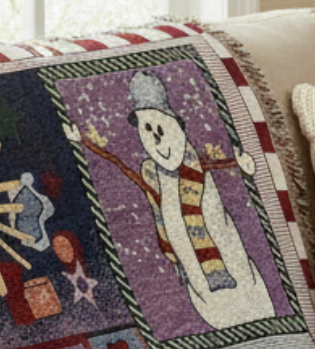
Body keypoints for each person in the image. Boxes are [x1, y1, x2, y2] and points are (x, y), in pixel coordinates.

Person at [65, 69, 276, 330]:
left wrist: (243, 165)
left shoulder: (197, 168)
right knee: (210, 304)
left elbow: (224, 164)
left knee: (245, 285)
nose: (155, 139)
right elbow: (117, 162)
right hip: (194, 274)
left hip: (232, 267)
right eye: (147, 129)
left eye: (161, 128)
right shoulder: (152, 176)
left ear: (176, 126)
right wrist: (82, 140)